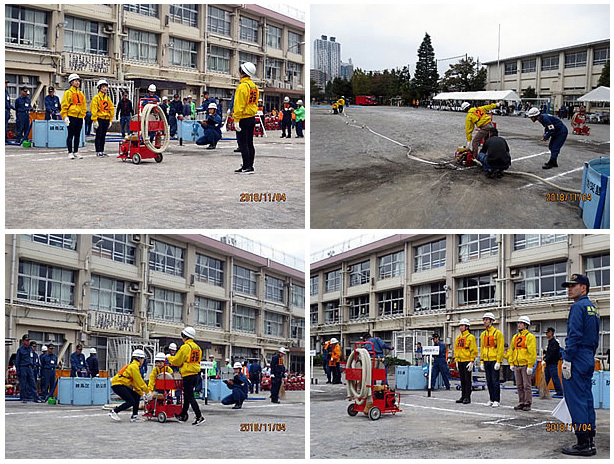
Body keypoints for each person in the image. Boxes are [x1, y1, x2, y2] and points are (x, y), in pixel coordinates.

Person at [560, 274, 600, 456]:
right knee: (586, 398)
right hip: (587, 355)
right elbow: (595, 337)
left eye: (573, 286)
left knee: (576, 400)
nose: (569, 289)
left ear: (583, 288)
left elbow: (574, 335)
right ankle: (590, 438)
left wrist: (568, 359)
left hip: (576, 356)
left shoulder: (577, 307)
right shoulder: (593, 308)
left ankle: (583, 443)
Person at [167, 326, 205, 425]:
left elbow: (177, 360)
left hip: (188, 374)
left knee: (190, 396)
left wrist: (170, 358)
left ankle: (199, 416)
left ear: (185, 336)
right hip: (196, 374)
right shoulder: (197, 348)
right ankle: (183, 414)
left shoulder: (185, 347)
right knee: (187, 396)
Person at [109, 349, 151, 422]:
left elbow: (135, 384)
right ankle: (114, 411)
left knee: (136, 395)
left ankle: (134, 416)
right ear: (139, 358)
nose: (143, 361)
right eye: (143, 359)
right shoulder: (134, 367)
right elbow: (140, 381)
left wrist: (142, 394)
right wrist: (147, 392)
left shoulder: (133, 366)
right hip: (118, 384)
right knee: (131, 401)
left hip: (119, 384)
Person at [233, 62, 259, 174]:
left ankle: (246, 166)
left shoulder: (242, 87)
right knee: (249, 143)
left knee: (243, 143)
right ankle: (249, 166)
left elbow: (239, 104)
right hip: (251, 117)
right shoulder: (254, 86)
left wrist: (236, 119)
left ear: (242, 73)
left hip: (243, 117)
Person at [509, 315, 537, 411]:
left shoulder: (530, 337)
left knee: (527, 385)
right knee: (519, 385)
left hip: (525, 364)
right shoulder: (515, 337)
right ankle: (521, 402)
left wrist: (530, 365)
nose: (519, 325)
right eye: (518, 323)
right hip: (517, 364)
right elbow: (512, 350)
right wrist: (511, 363)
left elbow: (532, 352)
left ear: (526, 325)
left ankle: (527, 403)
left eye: (521, 323)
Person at [479, 312, 505, 408]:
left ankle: (496, 399)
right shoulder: (483, 334)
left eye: (486, 319)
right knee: (488, 380)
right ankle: (491, 398)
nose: (484, 321)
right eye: (484, 319)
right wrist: (481, 361)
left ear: (491, 321)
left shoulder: (497, 333)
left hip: (494, 360)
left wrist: (498, 361)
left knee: (495, 380)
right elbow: (482, 348)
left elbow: (500, 348)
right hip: (486, 360)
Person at [60, 73, 87, 159]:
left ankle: (76, 151)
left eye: (78, 81)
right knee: (70, 135)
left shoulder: (81, 94)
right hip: (71, 116)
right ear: (71, 82)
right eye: (75, 81)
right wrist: (65, 116)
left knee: (77, 135)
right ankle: (70, 152)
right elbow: (64, 105)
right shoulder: (68, 92)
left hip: (79, 117)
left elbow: (83, 106)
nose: (77, 82)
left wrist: (83, 116)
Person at [454, 318, 477, 404]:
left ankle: (468, 397)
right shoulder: (458, 338)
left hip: (467, 360)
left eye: (462, 325)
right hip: (460, 360)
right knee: (462, 379)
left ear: (467, 327)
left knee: (467, 380)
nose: (460, 327)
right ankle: (463, 396)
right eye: (460, 325)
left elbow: (473, 350)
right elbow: (456, 350)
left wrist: (472, 361)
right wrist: (456, 360)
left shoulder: (470, 337)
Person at [90, 79, 115, 157]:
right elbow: (93, 109)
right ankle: (98, 150)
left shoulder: (108, 99)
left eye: (106, 87)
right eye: (103, 87)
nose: (105, 88)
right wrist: (95, 120)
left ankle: (102, 150)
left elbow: (111, 109)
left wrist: (110, 120)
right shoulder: (96, 98)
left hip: (106, 119)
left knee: (103, 136)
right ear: (100, 88)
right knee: (98, 135)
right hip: (99, 119)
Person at [15, 334, 41, 403]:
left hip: (30, 368)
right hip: (23, 367)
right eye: (26, 340)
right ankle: (23, 397)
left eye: (28, 340)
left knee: (33, 383)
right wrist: (18, 370)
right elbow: (17, 360)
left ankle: (36, 398)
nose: (28, 342)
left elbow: (32, 358)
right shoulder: (20, 350)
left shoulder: (30, 349)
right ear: (23, 341)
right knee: (23, 383)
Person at [543, 327, 564, 396]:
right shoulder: (550, 342)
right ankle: (542, 390)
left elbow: (553, 353)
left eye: (547, 333)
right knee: (546, 377)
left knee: (555, 377)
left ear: (550, 333)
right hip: (549, 363)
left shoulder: (554, 343)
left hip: (552, 363)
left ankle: (559, 391)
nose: (546, 334)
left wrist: (546, 358)